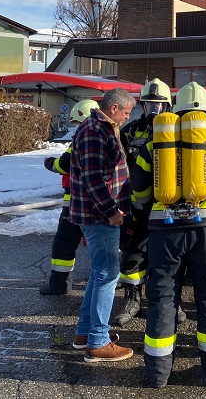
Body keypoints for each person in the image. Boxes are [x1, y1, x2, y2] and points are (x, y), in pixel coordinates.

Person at [135, 82, 206, 387]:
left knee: (161, 297)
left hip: (165, 232)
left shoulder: (155, 141)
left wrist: (151, 212)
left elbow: (139, 190)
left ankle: (157, 374)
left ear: (175, 106)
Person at [113, 79, 188, 327]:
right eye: (149, 105)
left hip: (169, 207)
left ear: (169, 105)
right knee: (132, 256)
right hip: (136, 206)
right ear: (142, 106)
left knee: (169, 259)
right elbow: (117, 168)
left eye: (159, 106)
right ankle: (132, 300)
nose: (154, 111)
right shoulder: (130, 131)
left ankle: (170, 304)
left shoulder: (180, 131)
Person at [69, 87, 135, 363]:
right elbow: (93, 178)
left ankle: (84, 334)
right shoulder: (96, 132)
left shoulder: (99, 127)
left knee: (99, 274)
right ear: (114, 109)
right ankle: (98, 342)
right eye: (127, 112)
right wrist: (111, 211)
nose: (128, 117)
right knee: (107, 276)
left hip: (95, 214)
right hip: (99, 216)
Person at [39, 99, 99, 295]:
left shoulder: (82, 139)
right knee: (102, 244)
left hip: (75, 203)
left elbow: (63, 165)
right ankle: (107, 281)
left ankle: (59, 285)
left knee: (64, 243)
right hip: (101, 203)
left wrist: (49, 162)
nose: (76, 127)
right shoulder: (109, 137)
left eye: (76, 123)